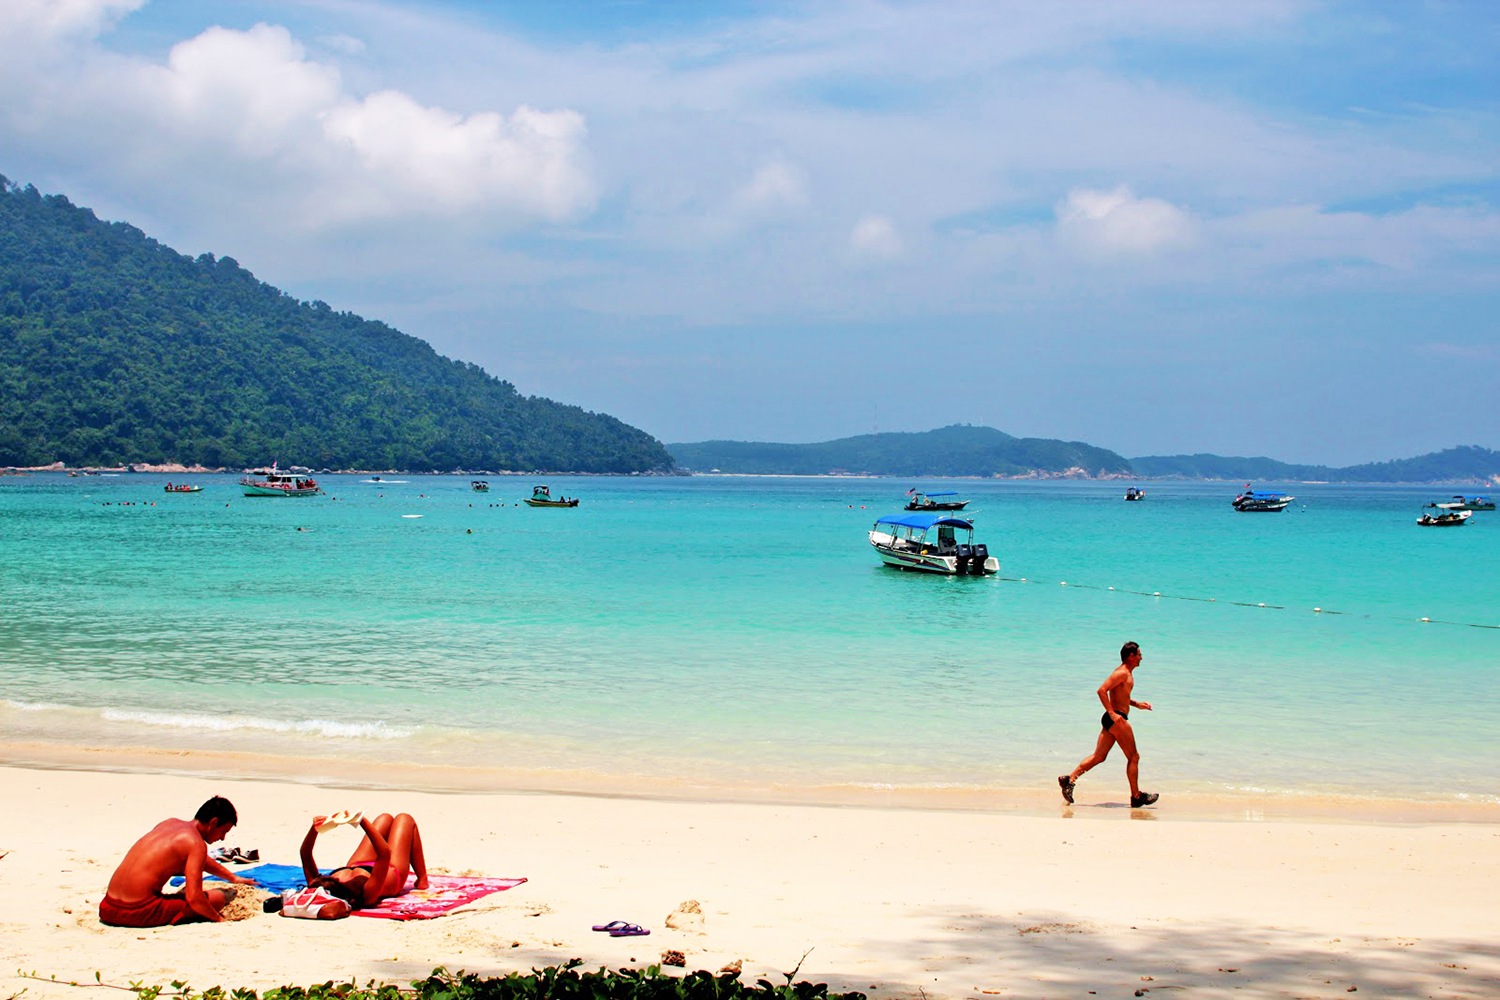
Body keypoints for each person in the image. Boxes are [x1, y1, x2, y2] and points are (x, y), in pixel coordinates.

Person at [99, 796, 256, 926]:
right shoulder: (196, 843)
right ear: (213, 823)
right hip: (135, 911)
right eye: (223, 832)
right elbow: (194, 899)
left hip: (106, 907)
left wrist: (233, 878)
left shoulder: (169, 823)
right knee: (218, 897)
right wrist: (219, 919)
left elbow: (201, 860)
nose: (222, 838)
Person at [1057, 641, 1159, 808]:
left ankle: (1069, 780)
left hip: (1113, 717)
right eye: (1139, 654)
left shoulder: (1126, 674)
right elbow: (1102, 690)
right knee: (1134, 757)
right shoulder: (1121, 673)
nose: (1142, 658)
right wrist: (1112, 714)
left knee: (1099, 757)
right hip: (1116, 718)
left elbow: (1121, 697)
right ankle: (1136, 796)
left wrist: (1137, 704)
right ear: (1131, 656)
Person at [295, 812, 429, 919]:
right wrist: (362, 821)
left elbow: (305, 853)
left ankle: (422, 877)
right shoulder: (366, 894)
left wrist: (315, 828)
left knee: (385, 818)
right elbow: (384, 854)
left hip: (359, 864)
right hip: (391, 870)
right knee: (405, 819)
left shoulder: (319, 884)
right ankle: (422, 879)